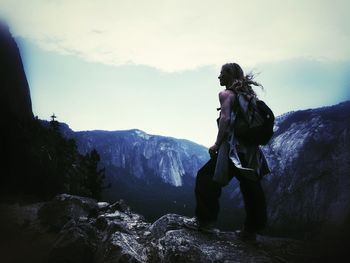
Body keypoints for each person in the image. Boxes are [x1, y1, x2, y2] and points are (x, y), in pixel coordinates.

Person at [184, 63, 270, 241]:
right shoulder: (248, 96)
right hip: (249, 151)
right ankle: (251, 230)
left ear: (229, 75)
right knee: (251, 187)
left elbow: (225, 118)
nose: (218, 77)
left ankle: (205, 222)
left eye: (221, 74)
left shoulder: (226, 94)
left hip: (233, 150)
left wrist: (216, 144)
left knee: (206, 177)